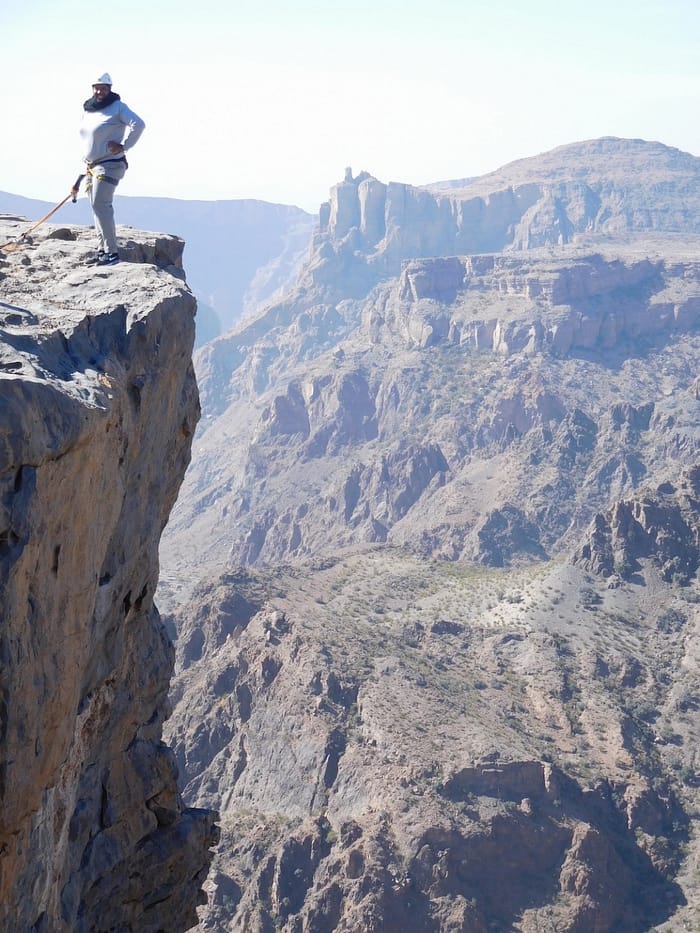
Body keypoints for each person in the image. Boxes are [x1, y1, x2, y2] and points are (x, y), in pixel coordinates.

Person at [72, 73, 145, 266]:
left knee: (100, 204)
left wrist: (124, 146)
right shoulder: (88, 109)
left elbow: (139, 125)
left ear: (109, 89)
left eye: (103, 88)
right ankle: (102, 251)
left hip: (110, 163)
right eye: (96, 87)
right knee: (96, 207)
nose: (99, 91)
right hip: (92, 165)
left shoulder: (118, 107)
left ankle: (112, 253)